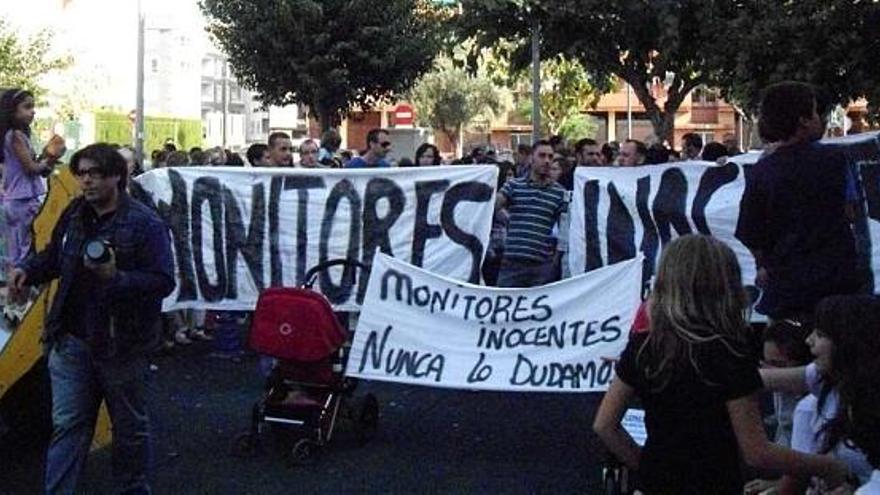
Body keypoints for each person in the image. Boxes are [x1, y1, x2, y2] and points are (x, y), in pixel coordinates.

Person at [593, 235, 851, 494]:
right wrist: (826, 466)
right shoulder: (728, 353)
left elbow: (604, 425)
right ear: (725, 288)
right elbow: (756, 452)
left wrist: (647, 466)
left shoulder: (645, 346)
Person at [9, 143, 175, 493]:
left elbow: (162, 280)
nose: (86, 181)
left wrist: (117, 279)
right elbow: (55, 257)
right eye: (81, 174)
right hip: (71, 339)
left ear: (116, 176)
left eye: (95, 174)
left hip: (123, 344)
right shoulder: (74, 214)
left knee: (129, 430)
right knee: (68, 425)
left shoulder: (145, 223)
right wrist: (27, 269)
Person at [735, 81, 860, 320]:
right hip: (836, 285)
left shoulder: (762, 171)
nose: (819, 119)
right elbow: (850, 212)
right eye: (814, 112)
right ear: (802, 121)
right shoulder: (835, 161)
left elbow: (750, 233)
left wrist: (766, 264)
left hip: (786, 290)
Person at [759, 295, 879, 492]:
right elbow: (759, 380)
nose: (809, 340)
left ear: (848, 343)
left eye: (821, 334)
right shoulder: (822, 382)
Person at [0, 89, 58, 314]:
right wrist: (50, 158)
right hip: (25, 200)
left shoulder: (12, 136)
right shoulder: (16, 136)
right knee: (27, 257)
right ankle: (21, 306)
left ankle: (13, 306)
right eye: (27, 107)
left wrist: (45, 160)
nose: (32, 112)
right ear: (12, 111)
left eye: (33, 106)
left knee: (17, 255)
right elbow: (31, 168)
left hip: (13, 200)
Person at [494, 140, 566, 288]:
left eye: (550, 157)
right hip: (511, 263)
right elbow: (490, 208)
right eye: (542, 156)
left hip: (541, 267)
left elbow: (564, 231)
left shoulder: (560, 193)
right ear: (531, 158)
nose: (546, 161)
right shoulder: (514, 186)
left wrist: (556, 261)